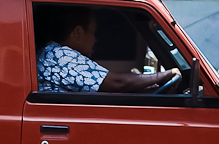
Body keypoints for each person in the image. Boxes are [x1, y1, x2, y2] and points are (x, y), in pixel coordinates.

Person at [37, 5, 182, 94]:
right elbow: (118, 83)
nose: (95, 39)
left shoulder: (52, 52)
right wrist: (168, 74)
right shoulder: (60, 55)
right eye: (93, 33)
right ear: (78, 33)